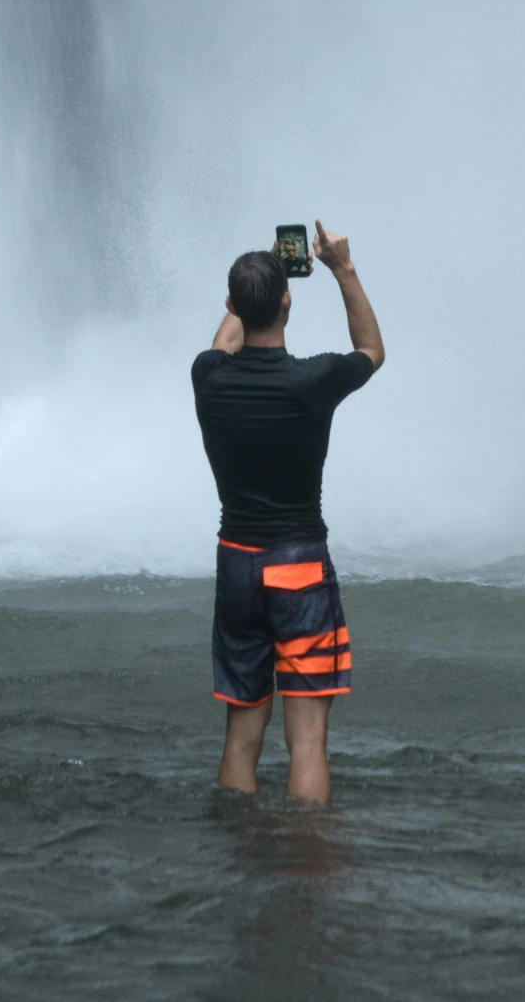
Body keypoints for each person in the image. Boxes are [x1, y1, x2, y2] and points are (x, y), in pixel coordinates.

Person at [191, 221, 385, 806]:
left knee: (241, 736)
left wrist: (259, 281)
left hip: (238, 567)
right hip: (298, 566)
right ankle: (305, 870)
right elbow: (372, 350)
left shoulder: (209, 378)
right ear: (288, 301)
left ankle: (237, 856)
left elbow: (226, 341)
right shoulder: (313, 381)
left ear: (230, 305)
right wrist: (342, 268)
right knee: (307, 743)